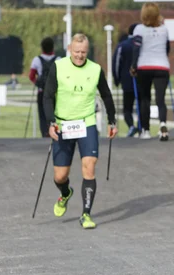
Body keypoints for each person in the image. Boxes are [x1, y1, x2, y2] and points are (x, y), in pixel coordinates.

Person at [43, 33, 117, 229]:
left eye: (83, 52)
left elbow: (107, 96)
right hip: (63, 125)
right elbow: (48, 97)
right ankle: (66, 193)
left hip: (87, 123)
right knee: (59, 176)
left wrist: (112, 121)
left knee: (89, 167)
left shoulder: (95, 69)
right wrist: (51, 122)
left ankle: (86, 214)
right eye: (76, 52)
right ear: (69, 49)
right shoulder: (58, 67)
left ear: (87, 51)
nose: (80, 56)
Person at [131, 2, 171, 141]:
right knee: (160, 99)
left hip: (144, 67)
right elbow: (167, 48)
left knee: (144, 99)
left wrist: (133, 66)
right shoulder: (164, 30)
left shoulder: (139, 29)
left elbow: (136, 49)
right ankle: (163, 124)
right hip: (162, 66)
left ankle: (146, 130)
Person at [113, 23, 139, 138]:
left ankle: (131, 126)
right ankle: (142, 127)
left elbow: (116, 63)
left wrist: (116, 79)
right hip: (141, 80)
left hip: (127, 81)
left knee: (127, 108)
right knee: (142, 104)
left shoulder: (122, 46)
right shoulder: (142, 45)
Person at [29, 38, 58, 138]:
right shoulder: (58, 59)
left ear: (42, 48)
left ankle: (45, 132)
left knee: (42, 114)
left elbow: (31, 76)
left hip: (42, 92)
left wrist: (38, 84)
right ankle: (54, 131)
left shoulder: (37, 60)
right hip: (55, 93)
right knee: (54, 112)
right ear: (52, 47)